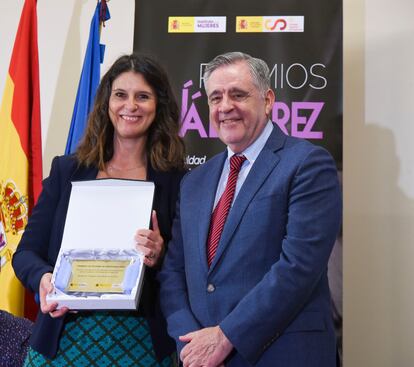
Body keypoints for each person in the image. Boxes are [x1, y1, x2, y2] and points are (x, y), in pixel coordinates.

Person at [158, 51, 342, 367]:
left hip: (283, 354)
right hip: (202, 357)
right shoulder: (194, 182)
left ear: (268, 100)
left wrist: (225, 336)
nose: (225, 106)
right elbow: (173, 271)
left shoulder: (307, 164)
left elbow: (297, 267)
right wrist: (190, 340)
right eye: (215, 98)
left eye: (238, 94)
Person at [12, 53, 186, 366]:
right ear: (107, 102)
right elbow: (25, 254)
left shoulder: (178, 181)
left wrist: (161, 253)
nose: (130, 106)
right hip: (63, 337)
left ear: (158, 105)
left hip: (141, 342)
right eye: (120, 95)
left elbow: (188, 268)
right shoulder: (68, 172)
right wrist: (44, 279)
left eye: (142, 96)